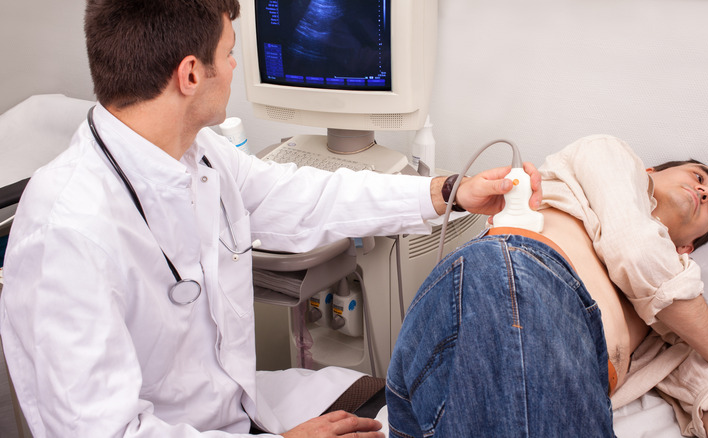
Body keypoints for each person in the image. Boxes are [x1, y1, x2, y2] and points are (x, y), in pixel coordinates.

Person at [0, 1, 530, 437]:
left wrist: (449, 192)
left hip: (241, 410)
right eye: (229, 53)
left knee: (403, 403)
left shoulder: (199, 154)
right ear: (189, 74)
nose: (235, 66)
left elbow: (304, 195)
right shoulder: (65, 233)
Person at [387, 134, 708, 437]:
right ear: (648, 174)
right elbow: (636, 249)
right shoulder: (609, 155)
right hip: (512, 277)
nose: (706, 192)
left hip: (561, 376)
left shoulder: (676, 321)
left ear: (688, 247)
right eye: (699, 177)